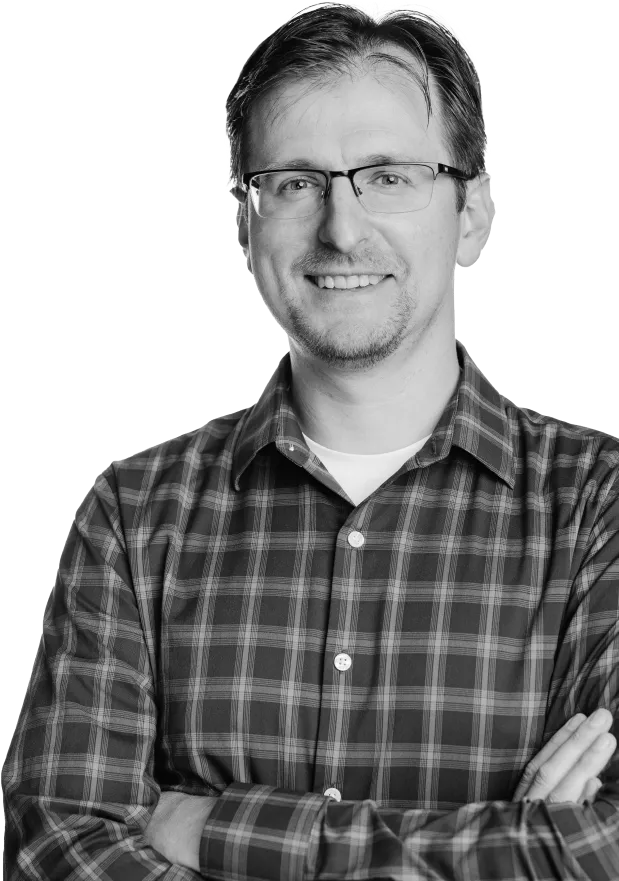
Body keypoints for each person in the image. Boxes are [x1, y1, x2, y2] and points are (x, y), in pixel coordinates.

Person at [3, 2, 618, 879]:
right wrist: (513, 845)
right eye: (294, 182)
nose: (340, 228)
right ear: (242, 222)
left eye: (388, 177)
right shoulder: (134, 516)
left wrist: (208, 829)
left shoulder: (599, 506)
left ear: (471, 210)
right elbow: (57, 845)